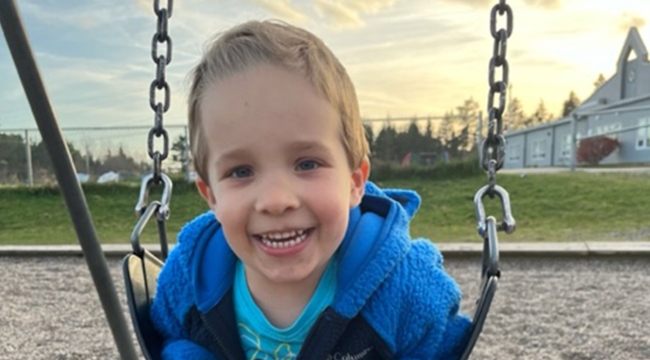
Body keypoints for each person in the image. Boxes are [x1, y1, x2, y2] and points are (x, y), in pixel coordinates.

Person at [150, 19, 471, 360]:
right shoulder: (190, 275)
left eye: (307, 164)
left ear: (355, 181)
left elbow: (442, 348)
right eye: (241, 171)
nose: (276, 201)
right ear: (211, 195)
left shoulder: (405, 291)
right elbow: (168, 338)